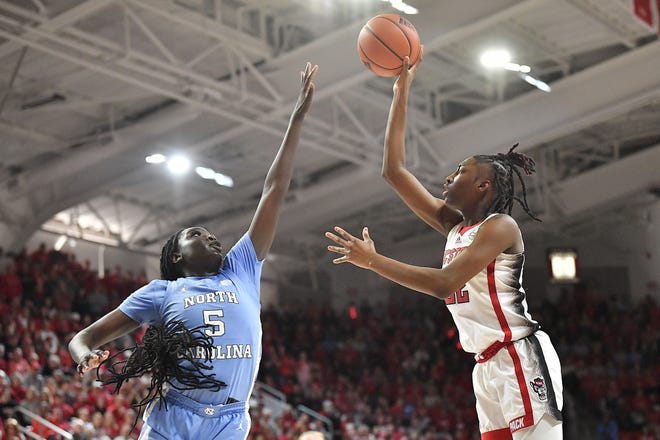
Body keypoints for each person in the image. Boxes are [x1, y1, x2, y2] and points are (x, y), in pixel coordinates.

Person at [68, 61, 318, 440]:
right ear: (177, 256)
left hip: (229, 422)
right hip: (174, 417)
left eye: (211, 233)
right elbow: (82, 338)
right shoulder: (162, 292)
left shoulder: (242, 269)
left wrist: (296, 120)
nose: (213, 237)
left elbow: (274, 191)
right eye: (197, 234)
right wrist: (86, 355)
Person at [325, 51, 562, 440]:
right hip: (485, 365)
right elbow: (394, 171)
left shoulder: (500, 227)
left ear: (483, 186)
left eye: (461, 171)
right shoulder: (456, 227)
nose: (449, 176)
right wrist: (401, 92)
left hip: (518, 355)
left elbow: (443, 284)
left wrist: (373, 262)